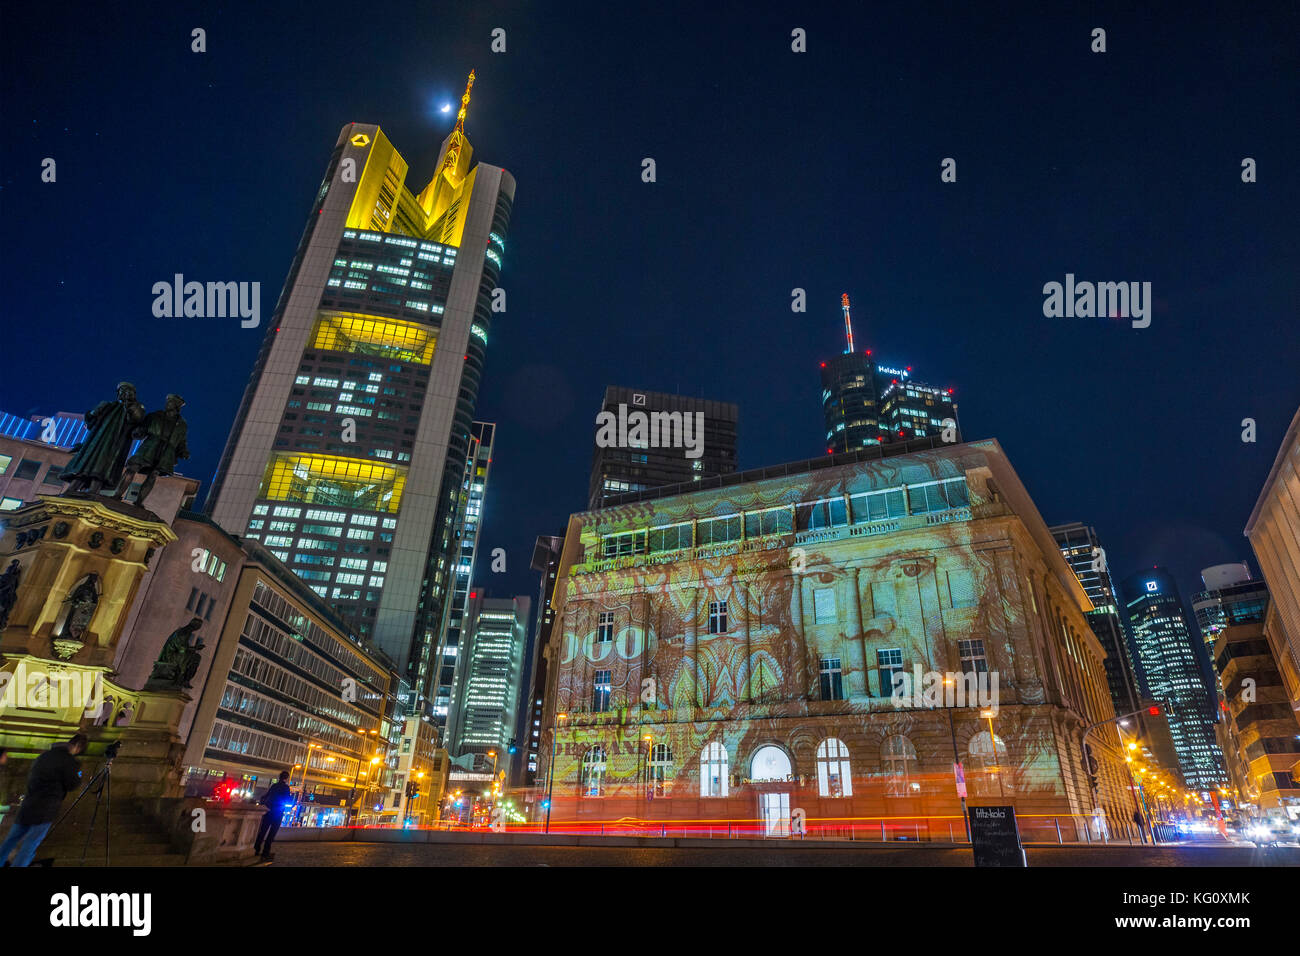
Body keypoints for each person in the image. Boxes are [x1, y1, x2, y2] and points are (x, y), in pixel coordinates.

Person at [0, 734, 86, 867]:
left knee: (11, 839)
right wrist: (79, 773)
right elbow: (73, 784)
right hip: (46, 809)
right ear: (78, 747)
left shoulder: (44, 756)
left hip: (28, 804)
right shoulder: (69, 761)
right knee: (30, 844)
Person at [253, 771, 294, 861]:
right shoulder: (286, 788)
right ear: (286, 778)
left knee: (262, 832)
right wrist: (292, 798)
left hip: (269, 811)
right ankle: (265, 852)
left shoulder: (274, 786)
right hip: (278, 813)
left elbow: (266, 796)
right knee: (271, 835)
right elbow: (287, 800)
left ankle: (256, 850)